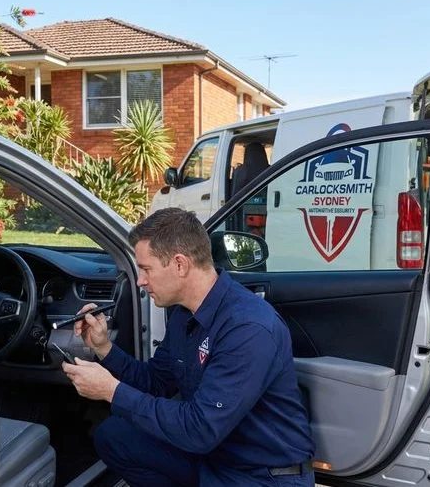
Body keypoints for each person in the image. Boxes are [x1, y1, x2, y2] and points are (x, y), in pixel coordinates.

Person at [62, 207, 315, 486]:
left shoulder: (247, 327)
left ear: (180, 265)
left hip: (261, 475)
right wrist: (104, 349)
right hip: (213, 456)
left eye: (146, 269)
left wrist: (111, 391)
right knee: (115, 436)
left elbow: (200, 430)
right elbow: (156, 382)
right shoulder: (185, 314)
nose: (140, 281)